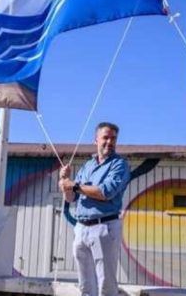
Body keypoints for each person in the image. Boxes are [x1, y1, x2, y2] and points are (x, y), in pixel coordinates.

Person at [59, 122, 130, 296]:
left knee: (106, 284)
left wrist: (73, 185)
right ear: (96, 140)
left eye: (113, 138)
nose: (109, 142)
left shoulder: (119, 165)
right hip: (81, 228)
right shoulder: (87, 166)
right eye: (106, 137)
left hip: (104, 227)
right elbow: (72, 198)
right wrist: (64, 183)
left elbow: (105, 192)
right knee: (85, 285)